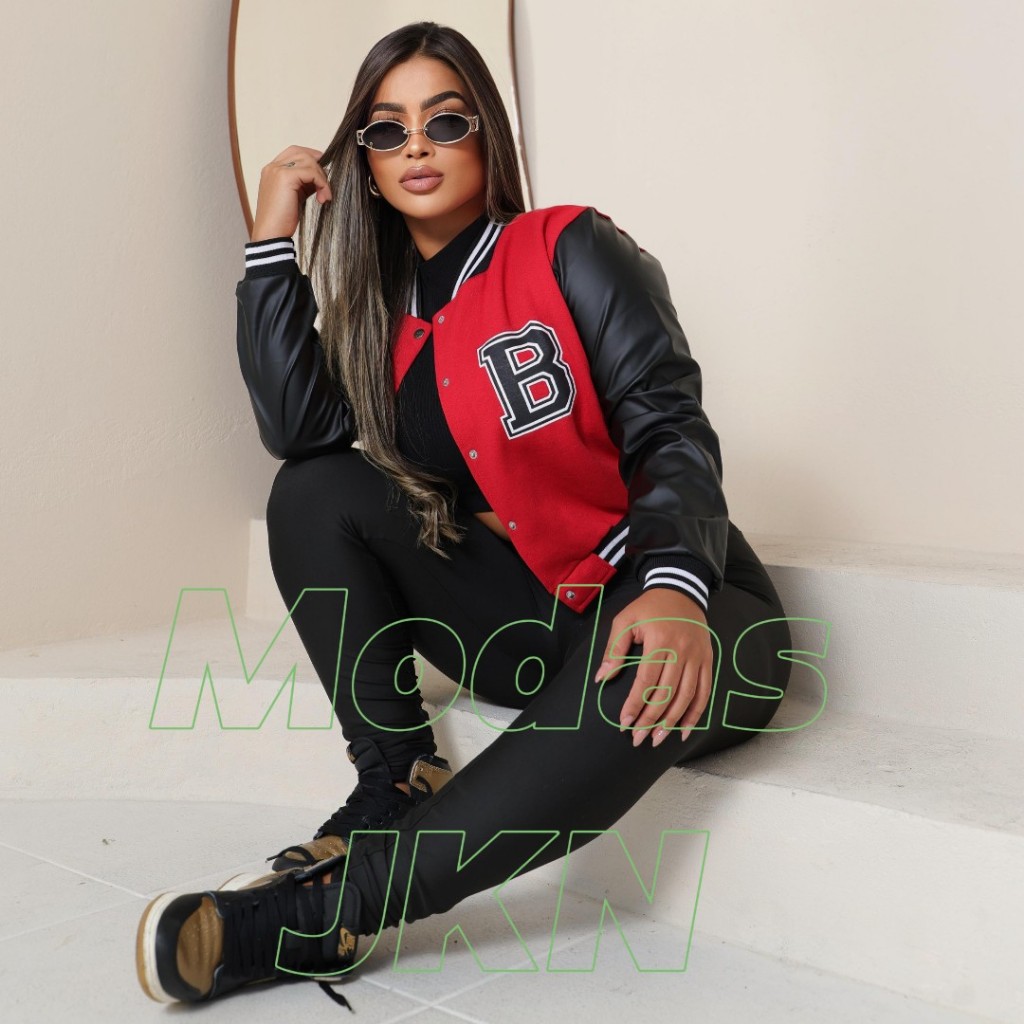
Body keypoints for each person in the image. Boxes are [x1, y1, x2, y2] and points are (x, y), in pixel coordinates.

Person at [135, 20, 793, 1011]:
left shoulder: (570, 246)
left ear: (487, 134)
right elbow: (297, 434)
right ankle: (397, 776)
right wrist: (271, 242)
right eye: (387, 130)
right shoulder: (387, 319)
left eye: (445, 121)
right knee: (314, 488)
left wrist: (671, 586)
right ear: (363, 162)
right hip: (540, 620)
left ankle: (328, 913)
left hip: (697, 604)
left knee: (634, 671)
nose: (417, 147)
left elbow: (668, 426)